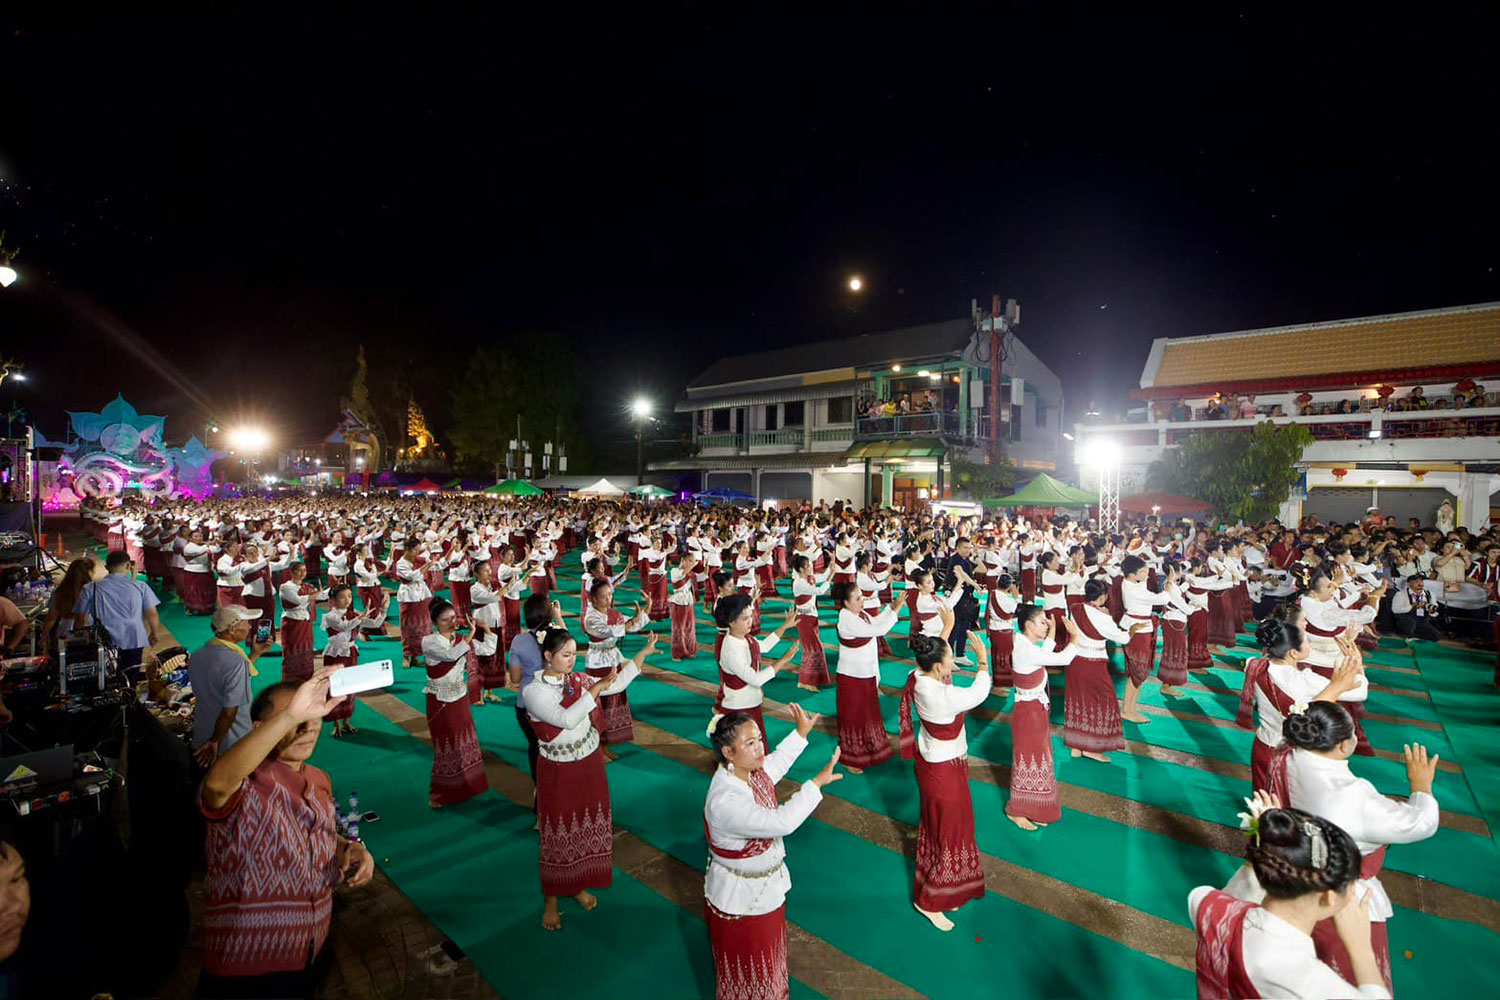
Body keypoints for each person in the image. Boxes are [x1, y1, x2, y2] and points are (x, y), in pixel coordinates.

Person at [198, 675, 374, 999]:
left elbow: (318, 831)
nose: (307, 728)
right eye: (294, 718)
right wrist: (291, 715)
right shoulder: (244, 781)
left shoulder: (318, 779)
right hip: (246, 965)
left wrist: (349, 847)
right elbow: (216, 785)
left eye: (312, 717)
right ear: (260, 730)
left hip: (311, 948)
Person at [1274, 702, 1440, 990]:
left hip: (1293, 887)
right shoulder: (1353, 796)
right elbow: (1421, 823)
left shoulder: (1287, 756)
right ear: (1343, 746)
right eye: (1352, 735)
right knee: (1347, 977)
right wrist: (1421, 787)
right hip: (1341, 898)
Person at [1190, 792, 1392, 999]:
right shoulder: (1302, 977)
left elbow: (1229, 894)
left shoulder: (1207, 904)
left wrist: (1260, 857)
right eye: (1351, 883)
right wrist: (1361, 949)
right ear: (1328, 896)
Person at [522, 627, 655, 931]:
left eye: (573, 654)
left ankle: (576, 885)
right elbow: (566, 719)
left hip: (589, 763)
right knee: (559, 832)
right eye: (565, 655)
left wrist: (641, 656)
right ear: (548, 656)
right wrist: (593, 691)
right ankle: (551, 899)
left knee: (586, 826)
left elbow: (613, 684)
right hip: (560, 769)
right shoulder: (534, 692)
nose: (572, 660)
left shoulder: (577, 681)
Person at [704, 705, 841, 1000]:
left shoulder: (746, 773)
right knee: (749, 964)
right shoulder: (726, 800)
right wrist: (815, 784)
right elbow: (782, 822)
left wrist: (800, 734)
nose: (759, 748)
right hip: (741, 897)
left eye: (759, 740)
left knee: (766, 959)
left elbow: (774, 765)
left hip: (763, 889)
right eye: (749, 743)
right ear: (728, 752)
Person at [898, 631, 990, 932]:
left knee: (945, 827)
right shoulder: (942, 695)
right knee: (948, 829)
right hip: (942, 770)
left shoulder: (920, 676)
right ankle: (928, 901)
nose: (953, 662)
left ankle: (948, 887)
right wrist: (982, 661)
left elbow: (935, 658)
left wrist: (946, 628)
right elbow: (978, 693)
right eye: (950, 658)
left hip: (936, 762)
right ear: (938, 667)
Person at [1236, 618, 1367, 792]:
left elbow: (1320, 658)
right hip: (1290, 754)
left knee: (1264, 802)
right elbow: (1361, 692)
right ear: (1293, 653)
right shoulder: (1306, 680)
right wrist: (1357, 665)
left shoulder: (1255, 664)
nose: (1310, 644)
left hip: (1262, 746)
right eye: (1307, 641)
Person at [1007, 604, 1079, 830]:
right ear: (1028, 626)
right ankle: (1016, 810)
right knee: (1027, 762)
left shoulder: (1025, 644)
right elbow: (1063, 659)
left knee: (1039, 760)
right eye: (1041, 622)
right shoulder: (1025, 650)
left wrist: (1051, 634)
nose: (1045, 625)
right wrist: (1074, 638)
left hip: (1033, 712)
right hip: (1028, 714)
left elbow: (1043, 655)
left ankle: (1034, 808)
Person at [1067, 579, 1149, 757]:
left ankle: (1077, 746)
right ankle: (1093, 749)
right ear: (1103, 597)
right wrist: (1133, 629)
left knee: (1079, 701)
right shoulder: (1103, 618)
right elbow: (1124, 639)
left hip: (1076, 661)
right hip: (1094, 664)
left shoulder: (1075, 608)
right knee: (1103, 703)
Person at [419, 598, 488, 808]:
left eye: (453, 618)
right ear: (435, 623)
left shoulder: (461, 638)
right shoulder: (429, 642)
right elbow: (450, 656)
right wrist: (469, 637)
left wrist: (485, 630)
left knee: (464, 742)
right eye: (444, 620)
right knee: (446, 746)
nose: (451, 623)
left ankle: (467, 786)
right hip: (440, 700)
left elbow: (487, 649)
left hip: (459, 697)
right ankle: (438, 794)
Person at [710, 594, 797, 748]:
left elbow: (764, 646)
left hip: (751, 703)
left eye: (750, 616)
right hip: (739, 708)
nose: (750, 621)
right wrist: (783, 660)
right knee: (746, 752)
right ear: (731, 622)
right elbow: (756, 679)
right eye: (745, 619)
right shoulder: (731, 650)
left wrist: (784, 627)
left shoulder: (745, 638)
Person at [190, 605, 273, 768]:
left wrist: (255, 654)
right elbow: (229, 711)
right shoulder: (236, 662)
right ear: (232, 629)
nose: (250, 626)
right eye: (246, 622)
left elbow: (226, 677)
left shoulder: (198, 655)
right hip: (230, 740)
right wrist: (215, 741)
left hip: (202, 731)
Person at [833, 580, 900, 773]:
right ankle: (850, 758)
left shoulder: (859, 614)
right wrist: (896, 611)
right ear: (846, 603)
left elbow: (876, 622)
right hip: (852, 676)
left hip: (865, 673)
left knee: (866, 713)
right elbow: (878, 630)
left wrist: (890, 609)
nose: (862, 601)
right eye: (857, 598)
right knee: (854, 716)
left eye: (862, 597)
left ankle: (870, 745)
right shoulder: (846, 619)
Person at [507, 594, 567, 800]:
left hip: (526, 704)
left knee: (536, 747)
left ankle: (539, 791)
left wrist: (531, 669)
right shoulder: (558, 637)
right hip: (554, 702)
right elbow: (570, 654)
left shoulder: (519, 641)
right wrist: (558, 618)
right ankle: (558, 791)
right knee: (556, 748)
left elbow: (515, 678)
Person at [582, 579, 651, 754]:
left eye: (610, 595)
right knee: (601, 695)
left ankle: (613, 734)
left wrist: (647, 606)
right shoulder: (590, 618)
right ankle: (599, 737)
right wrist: (632, 620)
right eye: (604, 597)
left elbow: (633, 625)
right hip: (598, 660)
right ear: (594, 600)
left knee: (616, 691)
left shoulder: (614, 613)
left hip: (612, 657)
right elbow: (610, 631)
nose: (608, 599)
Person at [70, 549, 163, 680]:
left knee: (107, 678)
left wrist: (79, 641)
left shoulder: (91, 588)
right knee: (131, 677)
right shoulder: (140, 586)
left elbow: (79, 620)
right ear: (128, 566)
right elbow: (151, 613)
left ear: (106, 567)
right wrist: (153, 633)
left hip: (104, 641)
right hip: (134, 638)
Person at [789, 554, 832, 691]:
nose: (811, 567)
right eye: (808, 566)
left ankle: (806, 678)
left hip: (811, 616)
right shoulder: (799, 583)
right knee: (814, 649)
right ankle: (805, 681)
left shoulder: (808, 578)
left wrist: (831, 564)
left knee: (811, 649)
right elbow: (819, 591)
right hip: (804, 619)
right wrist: (830, 579)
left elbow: (823, 576)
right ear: (801, 569)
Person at [1389, 572, 1443, 640]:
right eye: (1416, 581)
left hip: (1423, 622)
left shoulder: (1430, 594)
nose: (1420, 584)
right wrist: (1412, 606)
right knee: (1410, 625)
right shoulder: (1400, 594)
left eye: (1421, 581)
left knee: (1436, 636)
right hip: (1407, 620)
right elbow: (1395, 610)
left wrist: (1431, 612)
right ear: (1409, 584)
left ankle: (1415, 637)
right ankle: (1408, 635)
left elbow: (1435, 610)